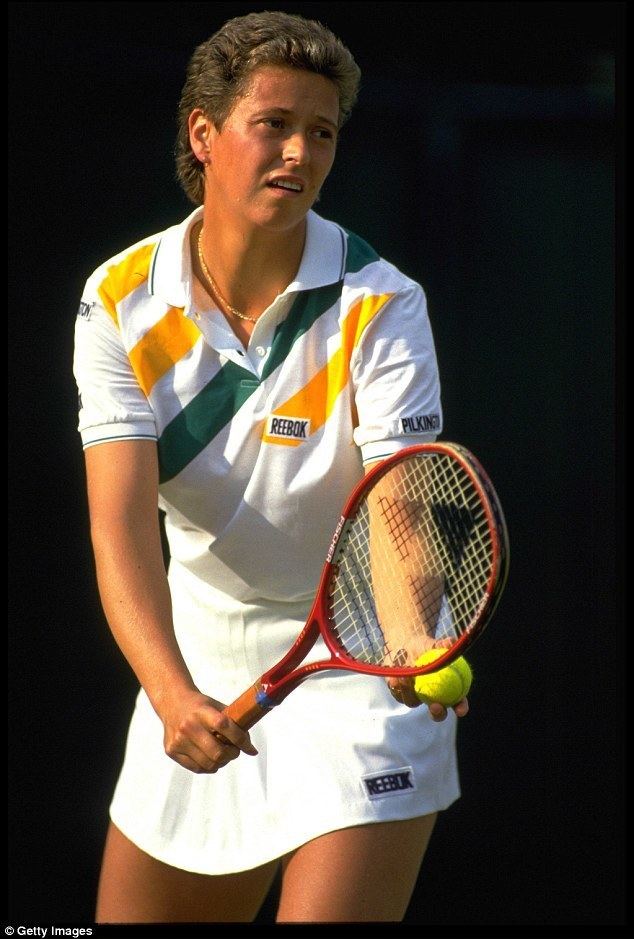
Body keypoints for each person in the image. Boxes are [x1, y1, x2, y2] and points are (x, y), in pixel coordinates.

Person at [73, 9, 469, 924]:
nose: (299, 152)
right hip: (201, 666)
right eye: (275, 125)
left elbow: (402, 501)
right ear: (204, 135)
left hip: (366, 664)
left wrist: (412, 638)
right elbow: (121, 523)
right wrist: (171, 694)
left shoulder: (384, 300)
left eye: (322, 133)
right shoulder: (117, 300)